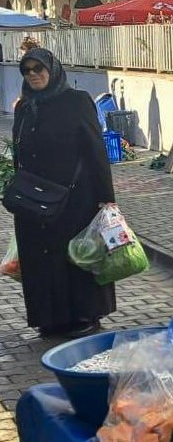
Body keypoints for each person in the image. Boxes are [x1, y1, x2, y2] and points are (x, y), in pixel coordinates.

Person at [7, 47, 116, 338]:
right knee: (41, 258)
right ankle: (49, 317)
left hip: (75, 197)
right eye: (27, 71)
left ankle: (85, 314)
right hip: (33, 199)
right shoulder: (25, 106)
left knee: (76, 255)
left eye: (38, 69)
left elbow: (96, 152)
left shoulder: (77, 102)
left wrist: (107, 199)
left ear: (52, 70)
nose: (33, 75)